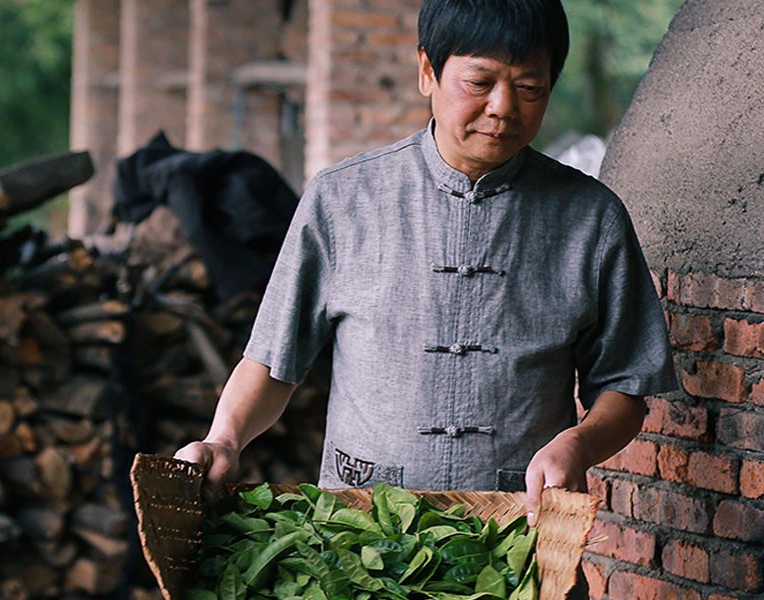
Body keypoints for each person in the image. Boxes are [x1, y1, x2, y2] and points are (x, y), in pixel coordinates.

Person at [176, 0, 677, 595]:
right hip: (355, 545)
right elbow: (272, 361)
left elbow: (624, 387)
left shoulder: (592, 218)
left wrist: (579, 441)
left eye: (529, 86)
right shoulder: (342, 200)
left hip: (517, 545)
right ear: (427, 72)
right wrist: (224, 437)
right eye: (480, 82)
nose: (503, 108)